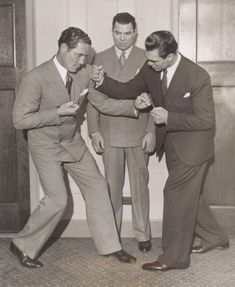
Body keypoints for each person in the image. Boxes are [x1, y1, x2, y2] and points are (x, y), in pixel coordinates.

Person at [91, 30, 229, 271]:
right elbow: (126, 89)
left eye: (154, 60)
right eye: (149, 58)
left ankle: (175, 257)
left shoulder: (197, 76)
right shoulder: (151, 67)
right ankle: (215, 236)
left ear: (172, 56)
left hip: (194, 149)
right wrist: (102, 81)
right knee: (190, 196)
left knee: (175, 196)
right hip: (173, 146)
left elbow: (206, 121)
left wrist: (169, 117)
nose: (149, 64)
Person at [10, 27, 137, 268]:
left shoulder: (83, 72)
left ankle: (111, 246)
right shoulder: (35, 78)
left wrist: (131, 105)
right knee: (58, 200)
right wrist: (55, 113)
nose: (83, 62)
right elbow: (19, 120)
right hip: (45, 143)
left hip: (72, 142)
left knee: (98, 186)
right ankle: (22, 244)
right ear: (62, 49)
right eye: (78, 55)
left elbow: (101, 95)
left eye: (86, 57)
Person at [87, 12, 155, 252]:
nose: (123, 38)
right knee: (111, 188)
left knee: (140, 186)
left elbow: (157, 98)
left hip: (139, 135)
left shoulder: (147, 58)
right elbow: (93, 100)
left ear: (135, 32)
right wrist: (94, 132)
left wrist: (151, 131)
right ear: (112, 31)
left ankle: (143, 234)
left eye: (127, 33)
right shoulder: (99, 58)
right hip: (110, 134)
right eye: (118, 33)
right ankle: (112, 235)